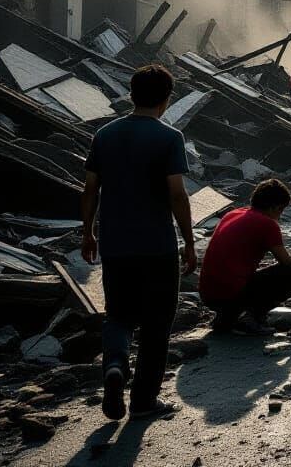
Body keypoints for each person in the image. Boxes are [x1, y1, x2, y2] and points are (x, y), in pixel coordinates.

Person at [81, 64, 195, 421]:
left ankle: (115, 366)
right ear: (166, 99)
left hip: (115, 244)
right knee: (157, 323)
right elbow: (177, 194)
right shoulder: (169, 137)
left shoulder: (105, 134)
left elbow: (90, 188)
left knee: (118, 315)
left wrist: (88, 232)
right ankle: (144, 400)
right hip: (157, 246)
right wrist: (189, 242)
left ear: (131, 95)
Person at [199, 178, 291, 336]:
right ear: (275, 207)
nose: (279, 216)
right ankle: (250, 316)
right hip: (231, 293)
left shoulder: (233, 214)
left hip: (208, 295)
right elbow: (290, 266)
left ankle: (227, 317)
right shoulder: (267, 224)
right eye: (281, 211)